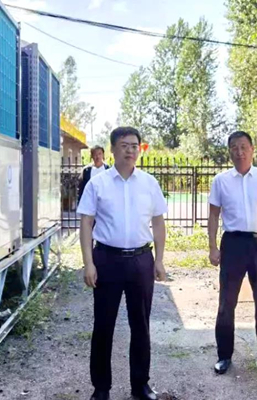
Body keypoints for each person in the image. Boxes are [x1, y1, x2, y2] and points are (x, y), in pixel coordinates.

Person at [77, 127, 167, 400]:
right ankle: (101, 388)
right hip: (107, 261)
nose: (130, 150)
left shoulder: (149, 183)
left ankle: (140, 385)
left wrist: (159, 260)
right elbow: (86, 223)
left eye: (134, 145)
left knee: (141, 325)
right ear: (113, 149)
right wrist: (88, 263)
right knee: (104, 325)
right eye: (124, 145)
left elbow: (158, 223)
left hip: (141, 261)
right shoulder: (98, 184)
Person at [208, 130, 257, 375]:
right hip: (232, 245)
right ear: (229, 151)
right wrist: (212, 247)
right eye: (234, 147)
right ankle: (224, 355)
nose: (239, 152)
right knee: (226, 302)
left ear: (252, 149)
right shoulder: (221, 181)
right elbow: (213, 215)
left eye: (243, 147)